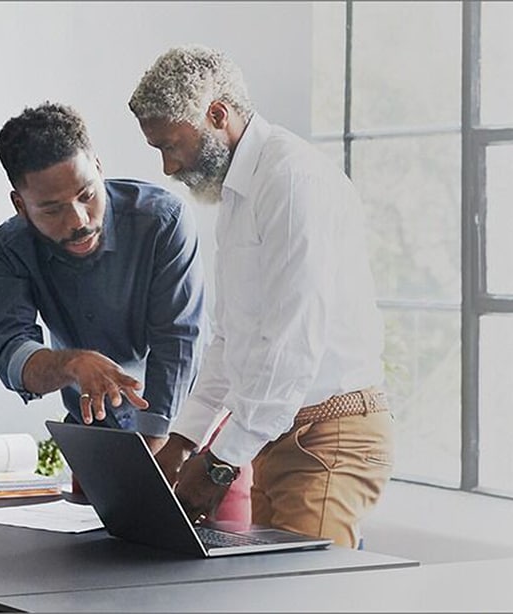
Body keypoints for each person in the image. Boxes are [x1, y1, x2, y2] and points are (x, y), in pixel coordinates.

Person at [128, 44, 393, 548]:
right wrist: (182, 442)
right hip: (278, 434)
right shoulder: (237, 193)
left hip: (330, 434)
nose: (166, 167)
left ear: (217, 114)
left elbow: (291, 345)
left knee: (299, 598)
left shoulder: (291, 179)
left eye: (171, 145)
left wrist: (219, 463)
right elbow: (231, 342)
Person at [0, 103, 256, 521]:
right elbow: (10, 351)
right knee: (94, 580)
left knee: (219, 578)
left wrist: (155, 452)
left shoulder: (161, 219)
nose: (78, 220)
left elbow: (177, 340)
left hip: (195, 443)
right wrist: (73, 364)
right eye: (52, 209)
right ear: (20, 204)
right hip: (98, 449)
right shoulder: (7, 249)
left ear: (97, 165)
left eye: (87, 194)